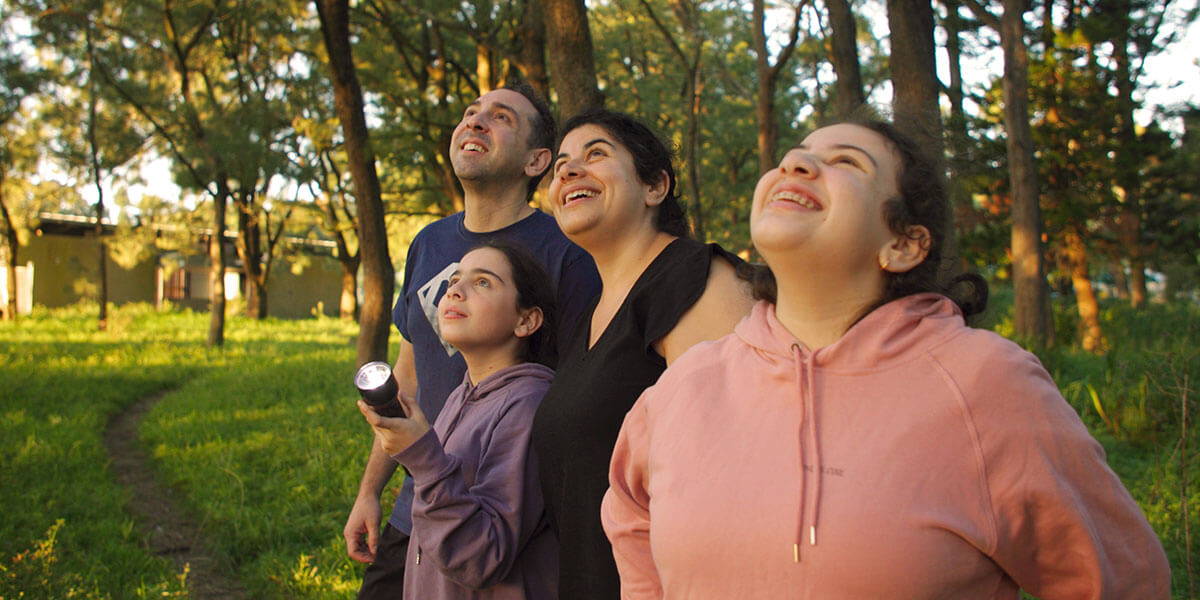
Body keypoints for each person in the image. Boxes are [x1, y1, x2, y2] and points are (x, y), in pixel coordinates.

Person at [601, 118, 1172, 598]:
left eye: (846, 162)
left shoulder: (986, 385)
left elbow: (1121, 581)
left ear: (903, 243)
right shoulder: (686, 387)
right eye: (792, 158)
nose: (795, 167)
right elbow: (629, 517)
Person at [344, 82, 601, 599]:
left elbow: (579, 402)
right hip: (414, 504)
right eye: (470, 112)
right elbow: (407, 376)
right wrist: (370, 491)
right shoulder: (428, 243)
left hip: (500, 529)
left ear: (537, 161)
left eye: (501, 117)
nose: (476, 121)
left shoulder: (569, 256)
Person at [531, 109, 755, 599]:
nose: (568, 171)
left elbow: (743, 471)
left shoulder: (695, 279)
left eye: (596, 155)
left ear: (655, 187)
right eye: (561, 165)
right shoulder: (588, 315)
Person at [358, 241, 560, 599]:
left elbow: (482, 557)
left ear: (526, 320)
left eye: (483, 282)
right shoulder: (461, 394)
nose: (455, 290)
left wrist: (422, 457)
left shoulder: (528, 407)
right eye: (454, 280)